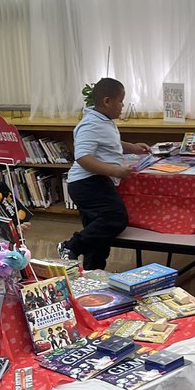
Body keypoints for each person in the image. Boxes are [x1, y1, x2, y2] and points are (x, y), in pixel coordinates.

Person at [59, 78, 150, 270]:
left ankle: (93, 273)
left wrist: (133, 147)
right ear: (107, 101)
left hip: (91, 182)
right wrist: (115, 170)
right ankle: (70, 246)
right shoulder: (90, 124)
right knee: (115, 218)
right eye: (120, 101)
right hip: (88, 182)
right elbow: (83, 157)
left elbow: (112, 144)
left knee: (98, 236)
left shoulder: (104, 121)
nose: (123, 106)